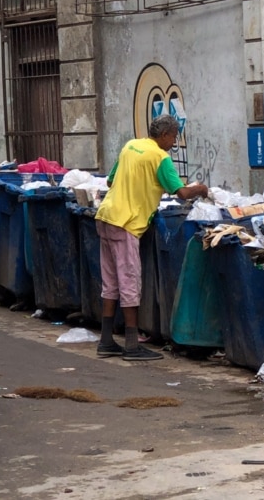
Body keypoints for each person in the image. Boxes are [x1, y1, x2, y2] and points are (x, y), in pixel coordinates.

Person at [95, 115, 208, 360]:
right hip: (125, 223)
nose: (174, 142)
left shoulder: (130, 146)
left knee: (111, 282)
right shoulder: (160, 157)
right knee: (129, 283)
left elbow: (111, 180)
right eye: (174, 137)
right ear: (165, 134)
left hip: (104, 217)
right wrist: (202, 189)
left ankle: (106, 341)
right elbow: (182, 193)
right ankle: (133, 345)